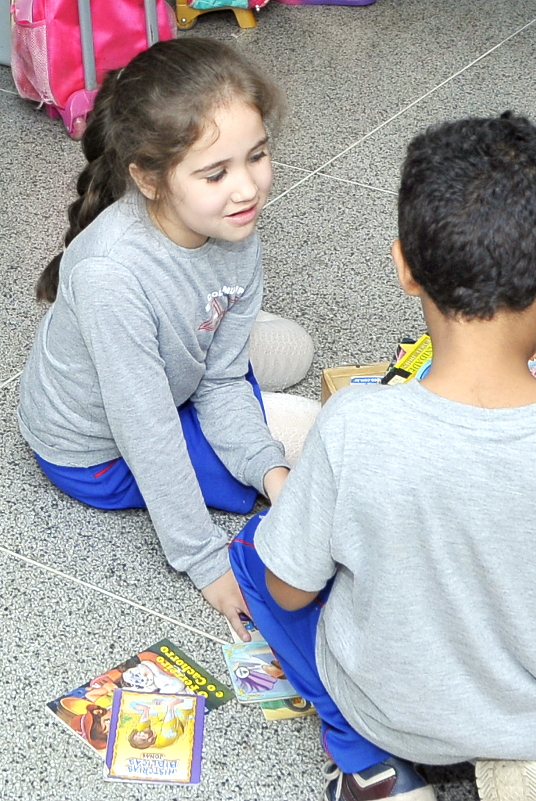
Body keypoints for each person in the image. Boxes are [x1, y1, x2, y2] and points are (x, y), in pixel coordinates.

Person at [228, 112, 536, 801]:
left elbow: (289, 593)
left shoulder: (356, 421)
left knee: (256, 549)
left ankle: (374, 766)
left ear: (403, 265)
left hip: (391, 712)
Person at [17, 38, 311, 642]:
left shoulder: (231, 220)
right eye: (216, 173)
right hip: (97, 452)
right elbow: (146, 431)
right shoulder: (110, 275)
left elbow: (222, 378)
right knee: (290, 448)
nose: (247, 189)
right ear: (148, 179)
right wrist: (206, 561)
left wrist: (271, 472)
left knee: (288, 361)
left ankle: (240, 382)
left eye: (257, 156)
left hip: (174, 379)